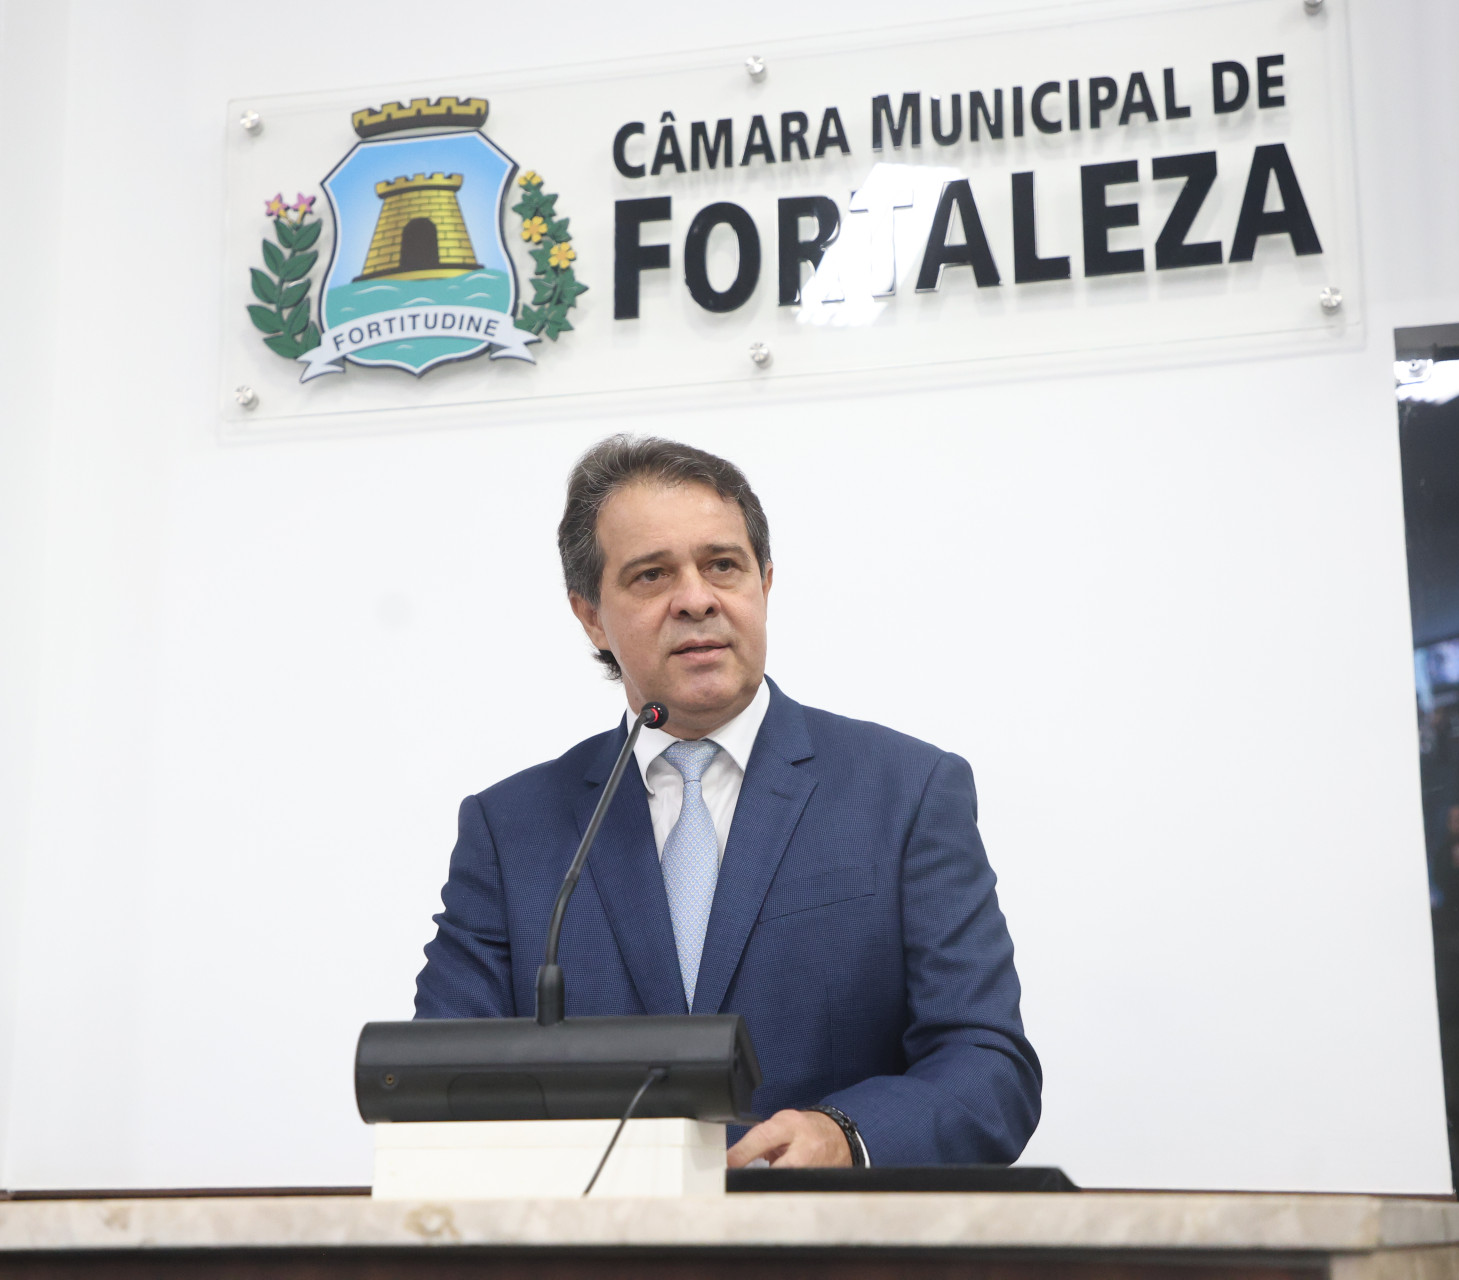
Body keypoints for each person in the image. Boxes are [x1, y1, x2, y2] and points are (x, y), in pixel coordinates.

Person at [413, 435, 1040, 1168]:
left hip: (832, 1255)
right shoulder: (511, 829)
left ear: (764, 584)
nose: (697, 598)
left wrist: (847, 1134)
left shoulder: (904, 791)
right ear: (590, 616)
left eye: (723, 566)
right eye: (652, 575)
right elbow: (440, 1082)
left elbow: (987, 1063)